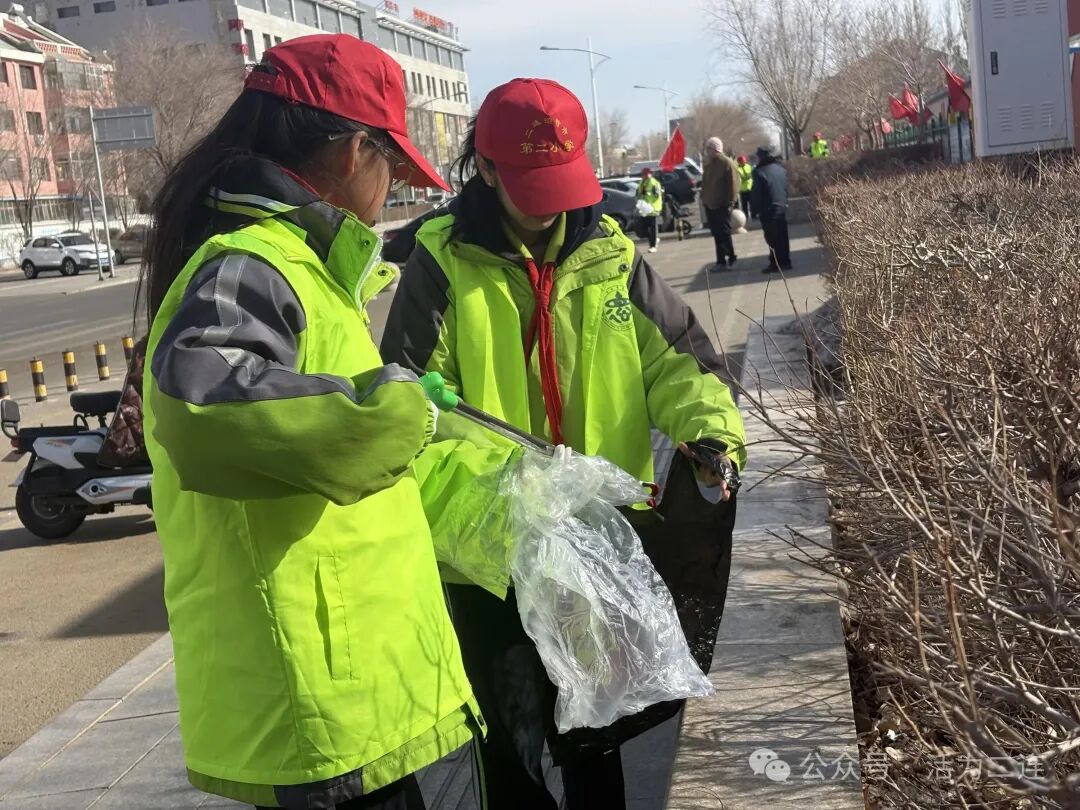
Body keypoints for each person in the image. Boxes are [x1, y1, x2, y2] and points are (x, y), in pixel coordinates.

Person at [140, 35, 506, 810]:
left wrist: (515, 505)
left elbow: (370, 476)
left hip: (374, 694)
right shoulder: (253, 265)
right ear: (351, 152)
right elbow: (201, 402)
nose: (394, 187)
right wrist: (395, 405)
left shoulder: (303, 267)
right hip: (333, 716)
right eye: (393, 167)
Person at [381, 77, 746, 810]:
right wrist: (508, 496)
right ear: (484, 170)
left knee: (594, 738)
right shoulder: (441, 266)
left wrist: (710, 434)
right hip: (490, 555)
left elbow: (682, 365)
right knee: (509, 742)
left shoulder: (613, 256)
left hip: (594, 543)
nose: (550, 202)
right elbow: (406, 411)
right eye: (529, 182)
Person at [700, 136, 740, 270]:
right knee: (716, 234)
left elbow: (734, 185)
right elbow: (705, 184)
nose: (707, 151)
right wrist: (704, 199)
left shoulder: (727, 163)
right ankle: (720, 261)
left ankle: (731, 257)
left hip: (722, 204)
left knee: (724, 232)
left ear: (715, 149)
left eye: (709, 148)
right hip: (710, 204)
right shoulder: (709, 164)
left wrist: (730, 202)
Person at [751, 144, 792, 273]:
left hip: (768, 208)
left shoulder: (759, 172)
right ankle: (785, 262)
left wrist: (755, 210)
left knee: (772, 238)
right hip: (781, 205)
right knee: (782, 236)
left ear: (761, 157)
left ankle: (776, 263)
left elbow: (757, 193)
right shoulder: (781, 169)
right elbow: (785, 188)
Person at [636, 166, 663, 252]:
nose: (645, 175)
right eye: (644, 174)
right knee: (644, 228)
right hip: (644, 210)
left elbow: (656, 196)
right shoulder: (641, 182)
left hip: (653, 209)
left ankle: (653, 245)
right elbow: (638, 193)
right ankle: (654, 240)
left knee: (653, 228)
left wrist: (647, 197)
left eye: (647, 174)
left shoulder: (654, 183)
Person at [736, 154, 755, 221]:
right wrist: (746, 177)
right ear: (739, 162)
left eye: (744, 161)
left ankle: (753, 216)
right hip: (743, 189)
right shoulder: (737, 169)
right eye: (742, 161)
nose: (743, 162)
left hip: (750, 188)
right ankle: (746, 217)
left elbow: (751, 175)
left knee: (752, 203)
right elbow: (741, 178)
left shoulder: (748, 166)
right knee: (744, 205)